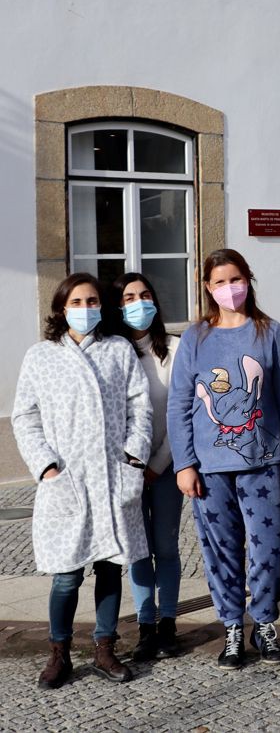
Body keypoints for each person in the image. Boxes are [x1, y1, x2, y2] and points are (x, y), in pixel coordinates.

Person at [12, 273, 151, 688]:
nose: (86, 309)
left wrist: (133, 454)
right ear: (61, 308)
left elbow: (139, 406)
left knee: (110, 566)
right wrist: (46, 466)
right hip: (67, 480)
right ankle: (58, 652)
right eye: (77, 302)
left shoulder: (118, 350)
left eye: (93, 301)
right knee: (67, 573)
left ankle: (105, 647)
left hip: (111, 475)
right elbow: (24, 415)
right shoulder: (41, 356)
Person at [168, 249, 280, 669]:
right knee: (220, 549)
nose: (231, 288)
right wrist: (184, 463)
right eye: (221, 281)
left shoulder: (270, 331)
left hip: (264, 462)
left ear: (249, 280)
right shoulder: (195, 337)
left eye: (237, 279)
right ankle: (231, 626)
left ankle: (264, 623)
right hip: (210, 468)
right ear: (208, 288)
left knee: (268, 547)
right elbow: (180, 405)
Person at [108, 273, 184, 662]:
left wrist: (157, 463)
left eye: (146, 295)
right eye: (130, 297)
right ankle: (145, 625)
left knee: (166, 547)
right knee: (138, 550)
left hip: (168, 465)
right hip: (127, 470)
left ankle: (168, 621)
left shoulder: (174, 348)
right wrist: (134, 464)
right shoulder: (112, 352)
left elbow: (181, 412)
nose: (139, 302)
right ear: (119, 306)